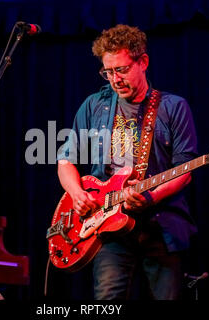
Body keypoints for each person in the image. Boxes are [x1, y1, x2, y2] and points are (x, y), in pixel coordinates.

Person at [57, 24, 198, 300]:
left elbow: (186, 171)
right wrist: (77, 194)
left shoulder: (173, 107)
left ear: (142, 62)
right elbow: (65, 160)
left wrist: (150, 197)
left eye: (121, 69)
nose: (114, 79)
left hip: (161, 227)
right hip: (108, 228)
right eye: (107, 72)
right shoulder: (94, 105)